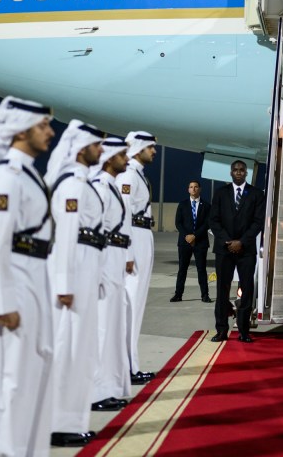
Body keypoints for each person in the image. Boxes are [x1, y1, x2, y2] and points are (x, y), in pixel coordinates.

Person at [0, 96, 57, 457]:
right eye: (42, 126)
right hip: (16, 278)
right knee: (12, 374)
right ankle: (2, 447)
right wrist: (3, 300)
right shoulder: (5, 177)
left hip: (34, 275)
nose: (50, 132)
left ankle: (21, 446)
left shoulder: (26, 174)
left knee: (32, 366)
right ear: (21, 130)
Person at [43, 119, 106, 449]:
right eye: (97, 145)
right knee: (67, 348)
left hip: (84, 266)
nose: (101, 150)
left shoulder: (82, 182)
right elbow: (67, 234)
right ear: (83, 148)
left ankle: (71, 419)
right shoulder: (71, 185)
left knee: (78, 349)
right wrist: (66, 283)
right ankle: (59, 423)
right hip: (73, 268)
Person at [89, 135, 133, 413]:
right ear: (108, 158)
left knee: (112, 327)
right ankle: (96, 391)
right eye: (122, 155)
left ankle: (107, 387)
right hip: (105, 260)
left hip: (114, 259)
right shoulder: (102, 189)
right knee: (102, 329)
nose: (126, 160)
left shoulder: (110, 186)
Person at [208, 160, 265, 342]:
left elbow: (258, 221)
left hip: (246, 249)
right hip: (224, 250)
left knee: (246, 290)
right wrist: (228, 241)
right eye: (235, 170)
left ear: (246, 173)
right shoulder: (220, 194)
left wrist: (241, 241)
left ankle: (243, 331)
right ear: (231, 172)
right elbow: (214, 221)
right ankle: (222, 330)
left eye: (242, 170)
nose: (239, 172)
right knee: (222, 290)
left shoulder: (256, 194)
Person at [121, 131, 158, 383]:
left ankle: (131, 364)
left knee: (137, 306)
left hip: (142, 234)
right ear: (138, 149)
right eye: (150, 148)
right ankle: (127, 367)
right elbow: (121, 213)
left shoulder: (137, 175)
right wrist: (128, 251)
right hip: (134, 237)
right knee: (131, 306)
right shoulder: (128, 175)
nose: (154, 152)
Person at [172, 180, 211, 303]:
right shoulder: (182, 205)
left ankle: (205, 295)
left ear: (200, 189)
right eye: (191, 187)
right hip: (184, 242)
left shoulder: (207, 205)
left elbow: (207, 223)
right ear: (188, 190)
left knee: (201, 270)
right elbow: (178, 223)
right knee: (182, 269)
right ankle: (178, 295)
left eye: (195, 187)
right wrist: (187, 236)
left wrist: (195, 236)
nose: (193, 189)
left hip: (200, 242)